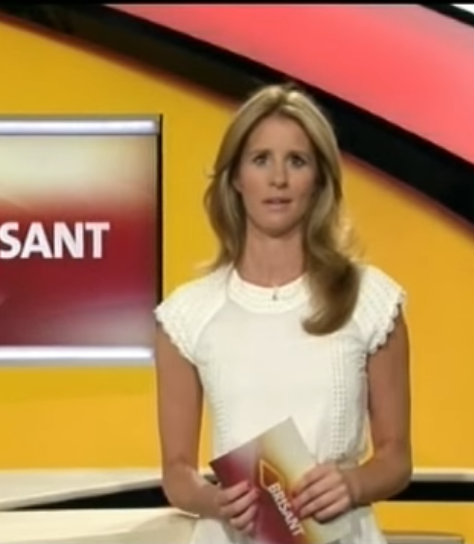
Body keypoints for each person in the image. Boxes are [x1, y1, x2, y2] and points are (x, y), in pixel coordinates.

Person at [153, 83, 412, 544]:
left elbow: (396, 458)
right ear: (236, 177)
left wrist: (353, 483)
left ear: (319, 180)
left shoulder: (369, 301)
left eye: (297, 161)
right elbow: (176, 472)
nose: (278, 179)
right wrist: (213, 500)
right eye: (260, 160)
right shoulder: (187, 317)